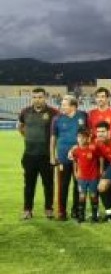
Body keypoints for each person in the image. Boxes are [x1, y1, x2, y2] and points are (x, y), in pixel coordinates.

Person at [18, 87, 59, 219]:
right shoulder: (25, 112)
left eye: (40, 97)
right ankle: (27, 210)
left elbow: (57, 132)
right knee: (29, 184)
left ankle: (49, 209)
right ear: (32, 98)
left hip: (46, 155)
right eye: (35, 97)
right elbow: (21, 126)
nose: (37, 100)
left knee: (48, 184)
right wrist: (28, 137)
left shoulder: (53, 113)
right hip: (29, 155)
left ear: (45, 97)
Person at [50, 95, 88, 220]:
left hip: (80, 157)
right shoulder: (57, 119)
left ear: (73, 106)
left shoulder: (83, 116)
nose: (62, 107)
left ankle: (76, 210)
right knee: (63, 185)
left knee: (79, 184)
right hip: (63, 157)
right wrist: (52, 155)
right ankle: (61, 211)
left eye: (65, 104)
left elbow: (89, 134)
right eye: (62, 104)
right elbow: (53, 137)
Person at [87, 87, 111, 219]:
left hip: (110, 153)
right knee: (93, 180)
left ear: (108, 98)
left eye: (103, 96)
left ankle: (109, 209)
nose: (100, 99)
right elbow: (90, 133)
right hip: (96, 153)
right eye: (98, 96)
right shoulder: (91, 114)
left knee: (109, 181)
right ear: (95, 98)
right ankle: (95, 210)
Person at [69, 128, 101, 223]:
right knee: (82, 196)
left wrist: (101, 170)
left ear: (87, 139)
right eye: (79, 137)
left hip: (93, 177)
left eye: (83, 138)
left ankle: (95, 216)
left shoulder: (93, 148)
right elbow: (74, 161)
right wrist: (75, 171)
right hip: (82, 177)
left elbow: (101, 158)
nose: (81, 139)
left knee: (93, 195)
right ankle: (81, 216)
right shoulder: (76, 150)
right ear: (77, 138)